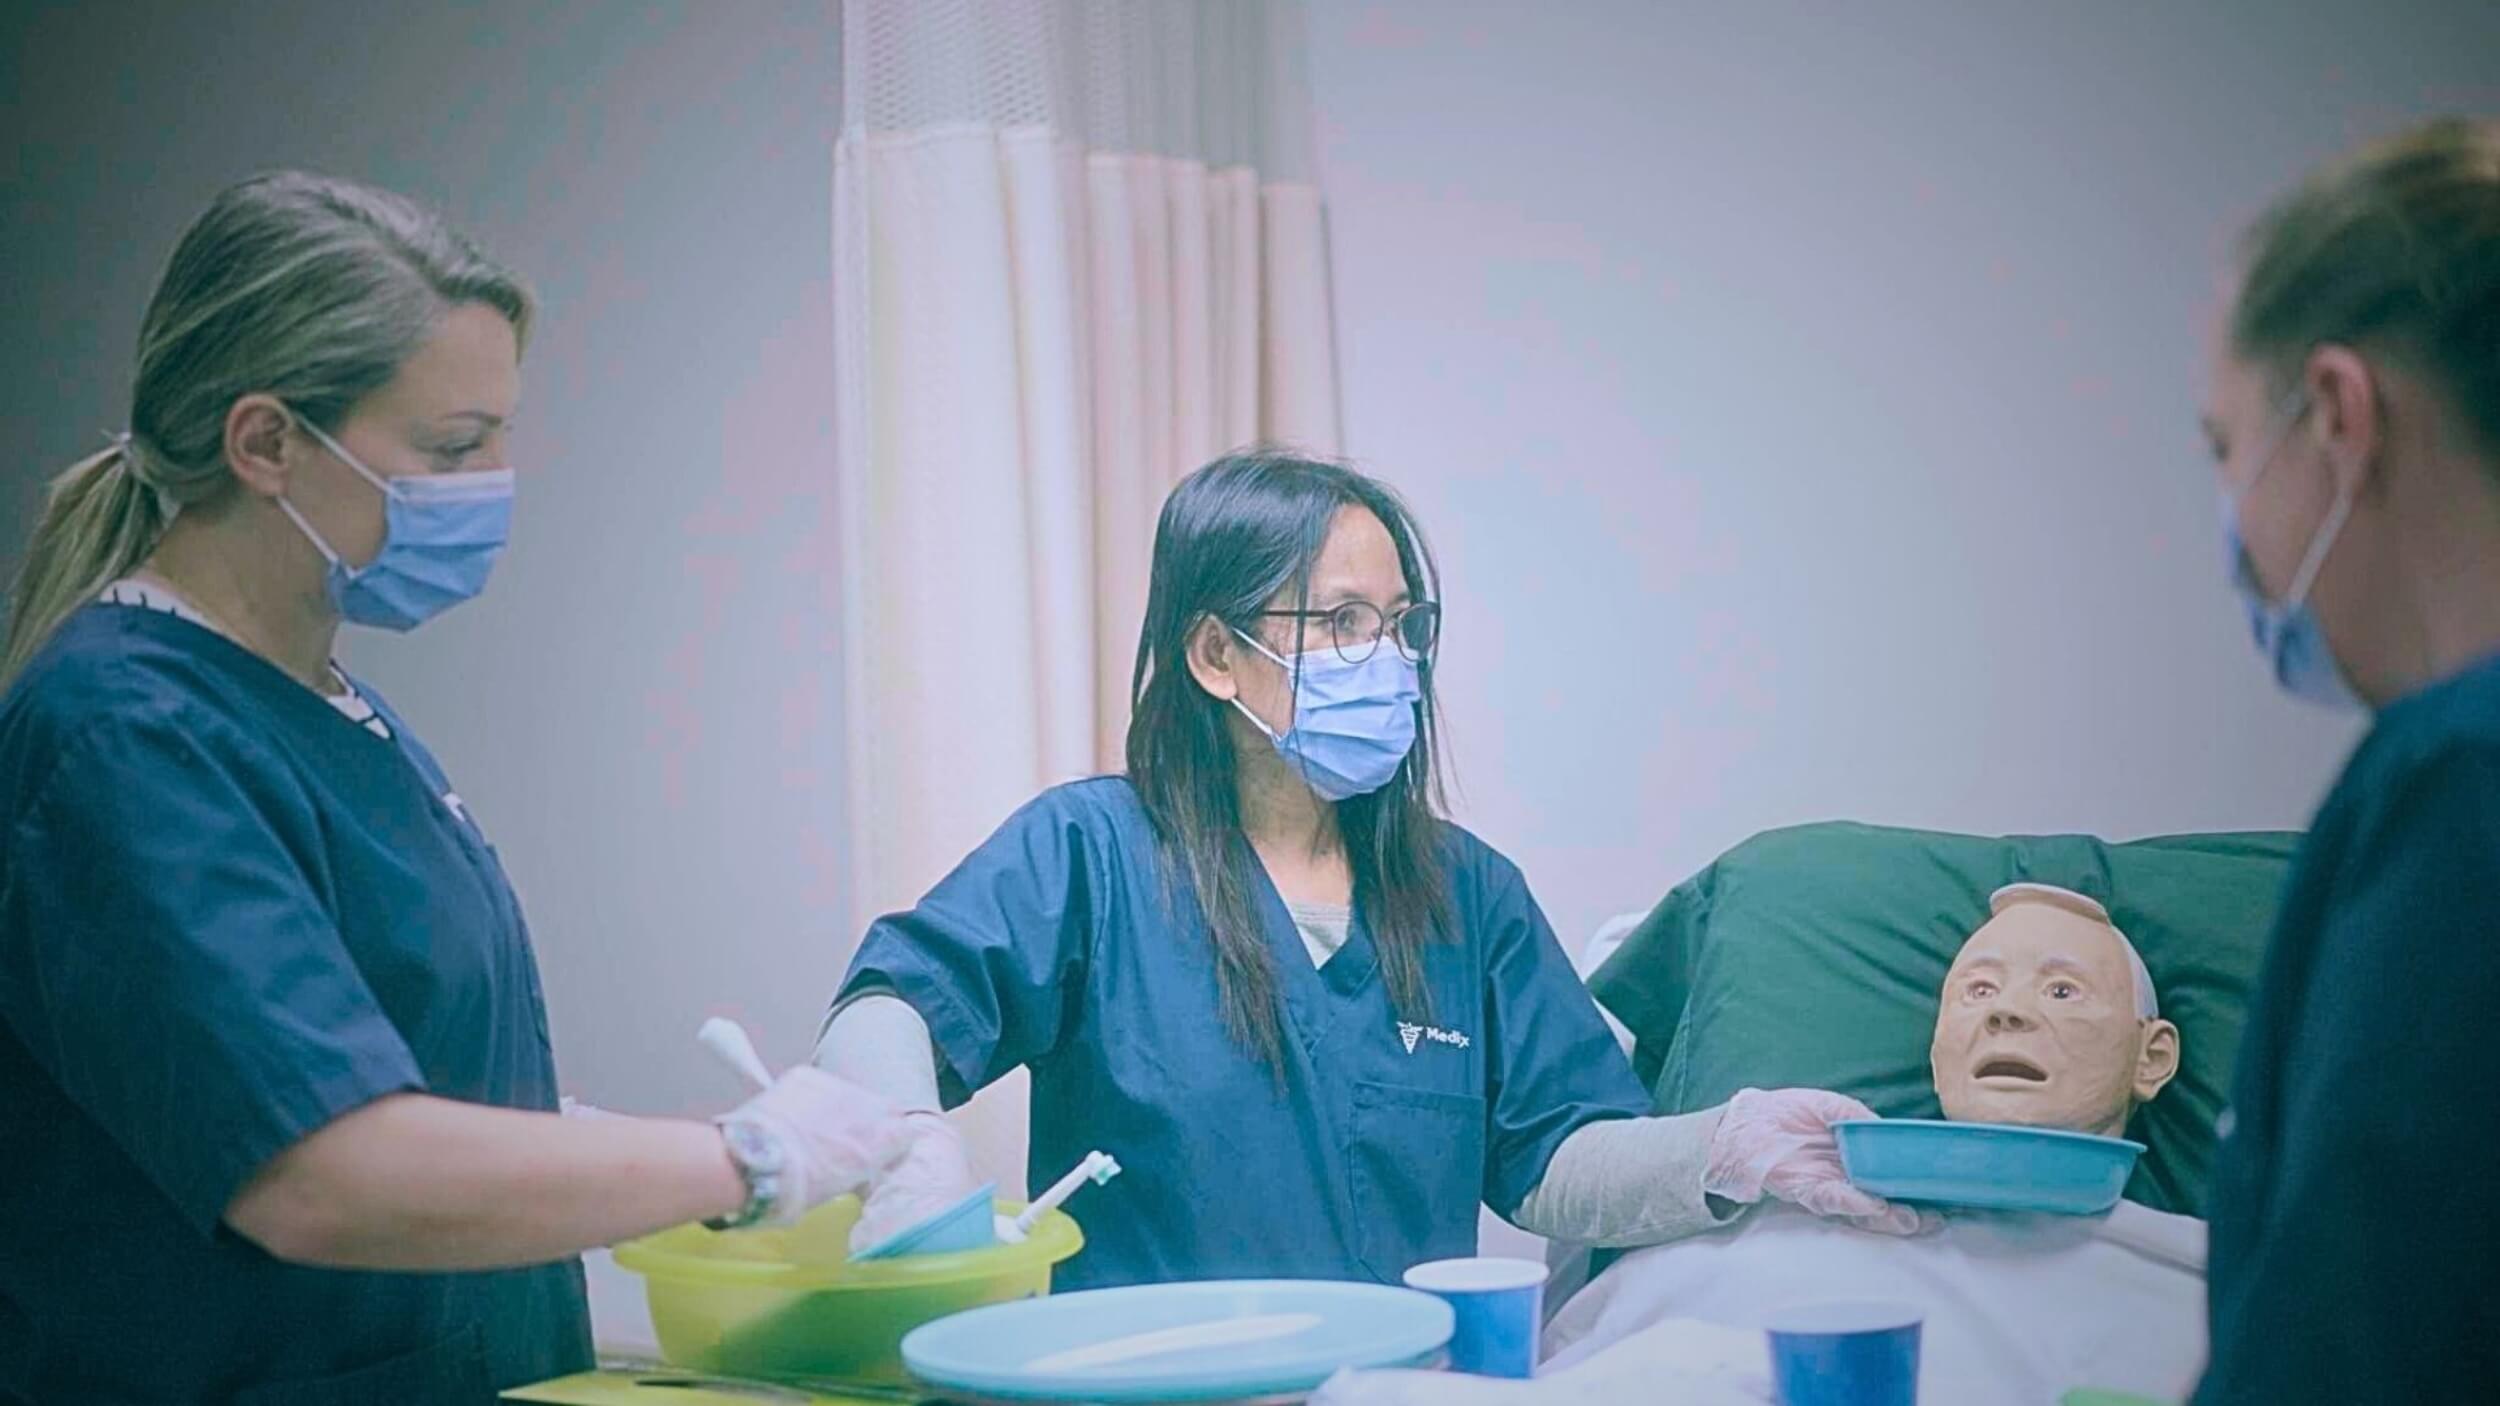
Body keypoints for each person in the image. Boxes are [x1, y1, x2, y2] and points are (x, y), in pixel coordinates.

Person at [0, 172, 907, 1403]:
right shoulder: (119, 732)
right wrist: (746, 1157)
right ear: (264, 441)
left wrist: (583, 1140)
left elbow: (391, 1062)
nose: (493, 481)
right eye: (450, 446)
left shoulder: (331, 707)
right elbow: (318, 1167)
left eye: (500, 434)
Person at [815, 450, 1922, 1292]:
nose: (1386, 659)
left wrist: (1724, 1148)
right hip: (1141, 1380)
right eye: (1340, 620)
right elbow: (895, 997)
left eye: (1399, 623)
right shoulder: (1091, 851)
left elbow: (1548, 1157)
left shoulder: (1466, 894)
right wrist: (903, 1138)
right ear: (1213, 654)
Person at [2192, 116, 2500, 1402]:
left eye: (2224, 450)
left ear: (2334, 413)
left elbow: (2349, 1341)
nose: (2232, 525)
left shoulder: (2454, 784)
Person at [1535, 885, 2207, 1403]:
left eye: (2062, 991)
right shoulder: (1743, 1248)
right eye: (1978, 990)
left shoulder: (2202, 1300)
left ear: (2153, 1057)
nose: (2008, 1012)